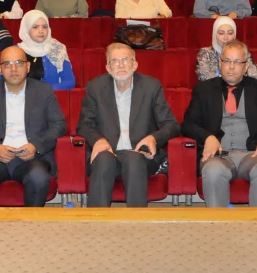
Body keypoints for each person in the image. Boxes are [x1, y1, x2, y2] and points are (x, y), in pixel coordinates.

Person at [182, 41, 257, 208]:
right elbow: (187, 125)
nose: (231, 67)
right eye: (227, 61)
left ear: (246, 66)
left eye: (237, 62)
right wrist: (208, 137)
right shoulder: (203, 90)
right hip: (218, 155)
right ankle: (218, 222)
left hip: (252, 154)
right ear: (220, 63)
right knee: (213, 171)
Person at [76, 43, 180, 208]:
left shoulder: (151, 86)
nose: (121, 65)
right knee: (103, 160)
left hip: (139, 154)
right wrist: (98, 140)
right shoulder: (95, 87)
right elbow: (84, 125)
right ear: (108, 68)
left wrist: (154, 138)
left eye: (125, 59)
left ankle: (136, 220)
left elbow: (171, 125)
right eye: (115, 61)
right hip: (108, 152)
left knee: (134, 159)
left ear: (135, 64)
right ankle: (97, 219)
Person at [0, 45, 67, 207]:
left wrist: (36, 146)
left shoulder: (43, 91)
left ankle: (31, 222)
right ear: (0, 69)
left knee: (39, 177)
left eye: (19, 63)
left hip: (32, 158)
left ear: (28, 67)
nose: (13, 69)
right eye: (7, 64)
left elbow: (59, 125)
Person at [18, 11, 75, 91]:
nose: (41, 31)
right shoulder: (14, 52)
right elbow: (2, 82)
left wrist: (44, 90)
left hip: (50, 96)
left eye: (45, 27)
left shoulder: (58, 48)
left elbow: (69, 81)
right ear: (27, 29)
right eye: (35, 27)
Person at [196, 17, 257, 82]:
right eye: (221, 33)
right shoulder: (205, 54)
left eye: (230, 33)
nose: (226, 38)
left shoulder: (243, 53)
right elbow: (205, 81)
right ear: (215, 35)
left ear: (234, 35)